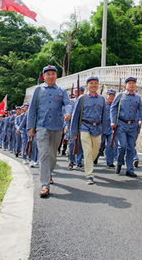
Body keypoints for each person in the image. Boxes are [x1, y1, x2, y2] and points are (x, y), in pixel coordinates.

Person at [28, 65, 72, 198]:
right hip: (42, 126)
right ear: (44, 77)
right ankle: (45, 185)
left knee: (53, 155)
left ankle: (48, 172)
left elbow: (67, 104)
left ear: (56, 76)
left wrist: (68, 113)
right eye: (48, 74)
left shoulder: (62, 90)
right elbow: (32, 109)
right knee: (44, 154)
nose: (51, 76)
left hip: (57, 126)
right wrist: (31, 127)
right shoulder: (38, 90)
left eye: (53, 74)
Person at [70, 76, 106, 184]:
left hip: (97, 128)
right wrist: (73, 131)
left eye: (95, 83)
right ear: (87, 86)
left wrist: (103, 130)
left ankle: (88, 162)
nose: (93, 85)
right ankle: (89, 175)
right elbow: (75, 115)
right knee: (88, 151)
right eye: (91, 83)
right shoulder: (82, 98)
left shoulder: (101, 99)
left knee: (96, 150)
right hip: (84, 127)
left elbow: (104, 116)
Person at [110, 76, 142, 178]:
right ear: (126, 85)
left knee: (131, 148)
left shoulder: (137, 97)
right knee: (122, 145)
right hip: (122, 124)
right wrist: (113, 121)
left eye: (133, 83)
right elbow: (113, 108)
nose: (131, 85)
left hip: (133, 126)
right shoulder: (120, 95)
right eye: (129, 83)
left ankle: (129, 169)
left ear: (135, 85)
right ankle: (119, 161)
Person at [97, 89, 116, 168]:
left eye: (113, 95)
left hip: (111, 129)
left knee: (110, 146)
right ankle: (95, 157)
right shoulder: (102, 104)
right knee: (99, 145)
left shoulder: (115, 105)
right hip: (102, 129)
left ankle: (110, 163)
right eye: (109, 95)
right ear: (106, 96)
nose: (111, 97)